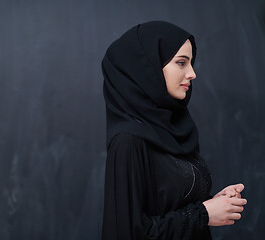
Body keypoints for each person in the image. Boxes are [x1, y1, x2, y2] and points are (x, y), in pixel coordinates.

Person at [101, 21, 247, 240]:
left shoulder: (173, 131)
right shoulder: (129, 141)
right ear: (148, 69)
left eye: (191, 63)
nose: (192, 74)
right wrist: (203, 214)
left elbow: (168, 204)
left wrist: (214, 202)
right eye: (181, 63)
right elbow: (130, 233)